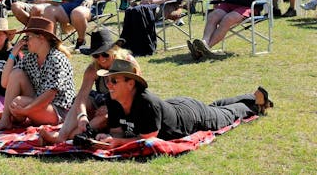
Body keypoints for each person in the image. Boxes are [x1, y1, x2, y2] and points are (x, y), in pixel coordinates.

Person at [94, 59, 272, 148]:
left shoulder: (147, 103)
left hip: (190, 117)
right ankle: (249, 95)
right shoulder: (113, 99)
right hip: (176, 106)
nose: (108, 85)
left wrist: (117, 142)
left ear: (130, 83)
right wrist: (110, 139)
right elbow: (117, 132)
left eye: (114, 81)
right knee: (215, 108)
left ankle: (255, 101)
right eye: (108, 81)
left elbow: (149, 140)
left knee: (226, 115)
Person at [38, 28, 136, 145]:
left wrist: (111, 106)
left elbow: (136, 93)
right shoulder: (93, 69)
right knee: (83, 102)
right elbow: (82, 97)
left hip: (125, 106)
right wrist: (82, 116)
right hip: (103, 102)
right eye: (96, 55)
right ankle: (65, 135)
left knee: (104, 117)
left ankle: (66, 137)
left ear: (115, 51)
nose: (101, 59)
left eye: (105, 54)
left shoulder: (128, 63)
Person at [0, 17, 76, 133]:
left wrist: (25, 111)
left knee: (17, 103)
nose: (25, 41)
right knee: (16, 74)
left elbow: (49, 95)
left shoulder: (56, 59)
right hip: (39, 103)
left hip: (58, 111)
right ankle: (6, 119)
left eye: (28, 37)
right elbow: (5, 83)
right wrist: (13, 54)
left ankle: (15, 117)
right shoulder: (31, 57)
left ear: (41, 38)